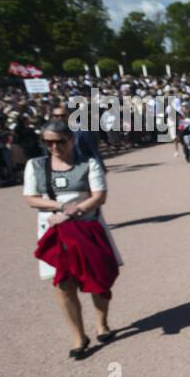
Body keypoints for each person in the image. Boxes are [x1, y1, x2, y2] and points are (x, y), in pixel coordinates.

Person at [22, 121, 123, 358]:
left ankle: (101, 322)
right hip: (54, 232)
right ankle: (78, 335)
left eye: (60, 141)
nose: (54, 147)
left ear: (72, 140)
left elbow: (99, 197)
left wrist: (67, 213)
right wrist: (60, 206)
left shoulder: (88, 163)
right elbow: (32, 199)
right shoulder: (35, 165)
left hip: (87, 228)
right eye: (48, 142)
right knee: (63, 284)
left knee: (98, 277)